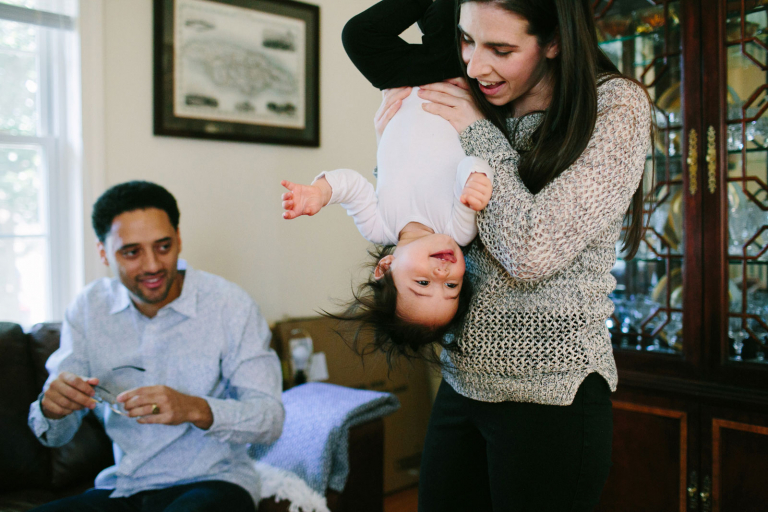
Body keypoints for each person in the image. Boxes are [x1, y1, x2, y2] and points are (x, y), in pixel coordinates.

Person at [376, 0, 652, 510]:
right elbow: (424, 228)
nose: (475, 65)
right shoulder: (479, 98)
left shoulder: (614, 106)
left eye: (501, 49)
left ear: (554, 41)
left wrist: (475, 131)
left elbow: (530, 250)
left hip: (553, 395)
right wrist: (393, 144)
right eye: (466, 40)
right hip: (461, 381)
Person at [27, 181, 284, 512]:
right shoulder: (89, 308)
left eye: (163, 247)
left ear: (179, 238)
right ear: (103, 252)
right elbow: (55, 436)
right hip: (125, 487)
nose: (152, 266)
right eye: (132, 252)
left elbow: (270, 419)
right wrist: (51, 408)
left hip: (215, 482)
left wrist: (192, 407)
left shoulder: (230, 305)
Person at [280, 0, 493, 362]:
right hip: (453, 80)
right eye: (452, 285)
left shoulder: (378, 226)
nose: (442, 272)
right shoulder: (458, 230)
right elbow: (470, 166)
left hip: (404, 85)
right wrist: (476, 178)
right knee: (445, 21)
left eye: (423, 283)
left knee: (357, 35)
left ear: (386, 267)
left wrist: (320, 192)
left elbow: (352, 187)